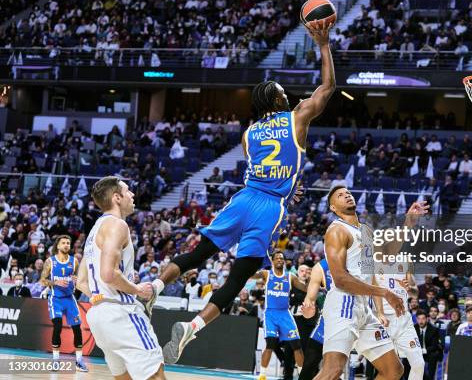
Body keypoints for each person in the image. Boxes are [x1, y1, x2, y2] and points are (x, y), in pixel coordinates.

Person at [148, 21, 336, 364]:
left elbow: (259, 160)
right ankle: (191, 327)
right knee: (238, 277)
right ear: (279, 99)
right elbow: (327, 87)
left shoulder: (249, 134)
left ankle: (153, 289)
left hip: (243, 198)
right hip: (268, 206)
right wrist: (323, 43)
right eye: (284, 93)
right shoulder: (296, 117)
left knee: (199, 251)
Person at [313, 185, 428, 380]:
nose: (347, 196)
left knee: (394, 370)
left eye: (348, 193)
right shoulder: (337, 231)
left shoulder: (364, 230)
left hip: (363, 308)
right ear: (333, 207)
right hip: (343, 304)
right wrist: (383, 292)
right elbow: (340, 279)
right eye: (340, 196)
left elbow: (387, 255)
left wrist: (408, 224)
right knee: (333, 370)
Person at [76, 176, 164, 379]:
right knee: (155, 374)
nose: (132, 195)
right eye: (128, 191)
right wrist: (137, 289)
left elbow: (81, 281)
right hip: (121, 312)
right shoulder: (117, 225)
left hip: (99, 315)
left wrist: (103, 293)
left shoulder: (94, 230)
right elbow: (109, 274)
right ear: (117, 197)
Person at [253, 251, 307, 380]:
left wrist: (317, 284)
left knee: (297, 346)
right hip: (270, 314)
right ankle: (262, 375)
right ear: (272, 261)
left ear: (284, 261)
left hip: (285, 314)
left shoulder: (290, 276)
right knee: (270, 344)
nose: (279, 260)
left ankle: (303, 375)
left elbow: (304, 288)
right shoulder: (267, 274)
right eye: (276, 258)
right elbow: (253, 275)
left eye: (281, 258)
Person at [39, 235, 87, 371]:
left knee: (77, 329)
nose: (66, 245)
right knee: (58, 326)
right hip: (56, 299)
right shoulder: (50, 262)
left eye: (68, 243)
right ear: (58, 245)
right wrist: (55, 282)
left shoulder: (74, 261)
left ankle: (79, 361)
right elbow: (42, 280)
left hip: (70, 299)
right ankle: (55, 360)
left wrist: (77, 279)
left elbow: (78, 280)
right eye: (63, 243)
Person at [373, 264, 425, 380]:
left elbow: (415, 293)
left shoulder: (406, 260)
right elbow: (371, 288)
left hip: (403, 319)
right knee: (389, 371)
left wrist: (408, 288)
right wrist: (380, 313)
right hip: (383, 320)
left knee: (419, 364)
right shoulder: (373, 258)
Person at [301, 259, 333, 380]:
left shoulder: (363, 257)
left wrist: (381, 312)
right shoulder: (321, 267)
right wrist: (308, 310)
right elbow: (309, 300)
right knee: (310, 363)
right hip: (330, 319)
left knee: (391, 369)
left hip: (360, 317)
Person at [416, 310, 443, 380]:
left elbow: (434, 345)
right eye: (419, 319)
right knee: (406, 358)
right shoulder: (413, 329)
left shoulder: (434, 329)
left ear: (427, 319)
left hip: (429, 352)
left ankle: (430, 378)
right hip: (417, 352)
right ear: (416, 319)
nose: (421, 321)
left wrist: (423, 351)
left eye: (423, 318)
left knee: (434, 355)